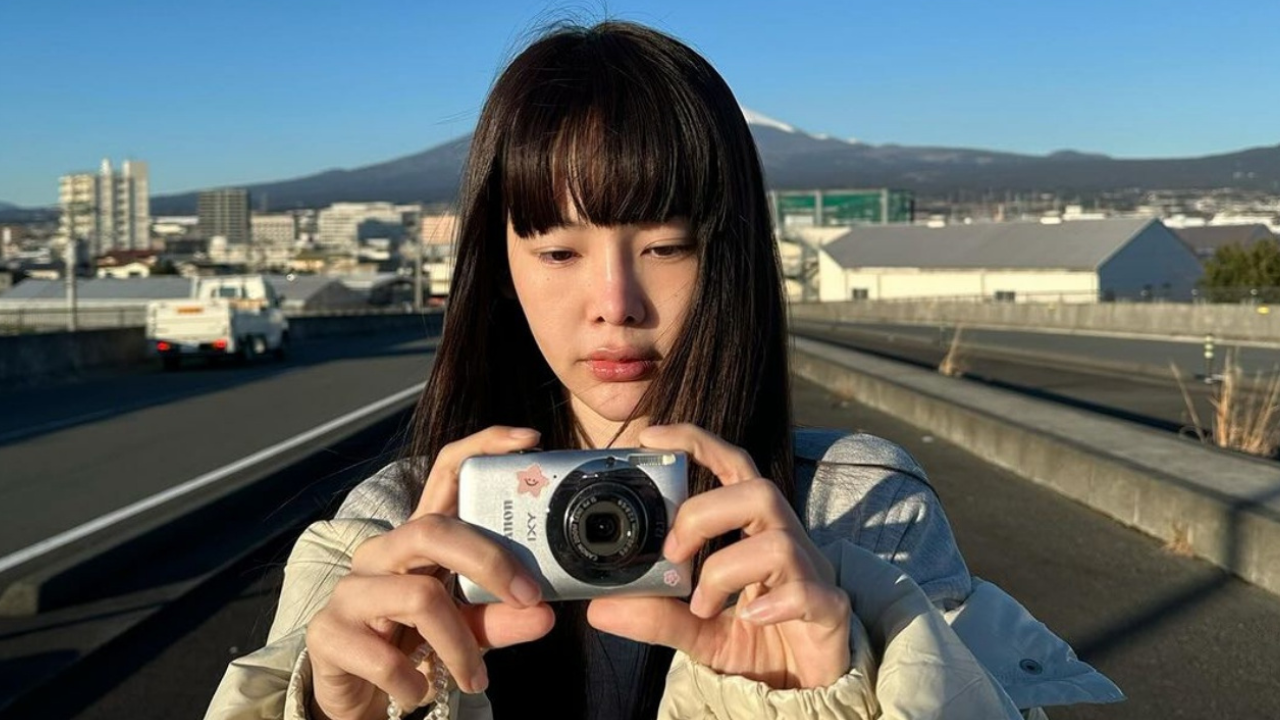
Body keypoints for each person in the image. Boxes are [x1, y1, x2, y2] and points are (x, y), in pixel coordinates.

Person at [206, 19, 1121, 720]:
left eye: (668, 245)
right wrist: (335, 706)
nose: (616, 302)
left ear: (729, 259)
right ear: (500, 268)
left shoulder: (857, 511)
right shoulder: (392, 527)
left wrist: (827, 686)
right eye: (558, 252)